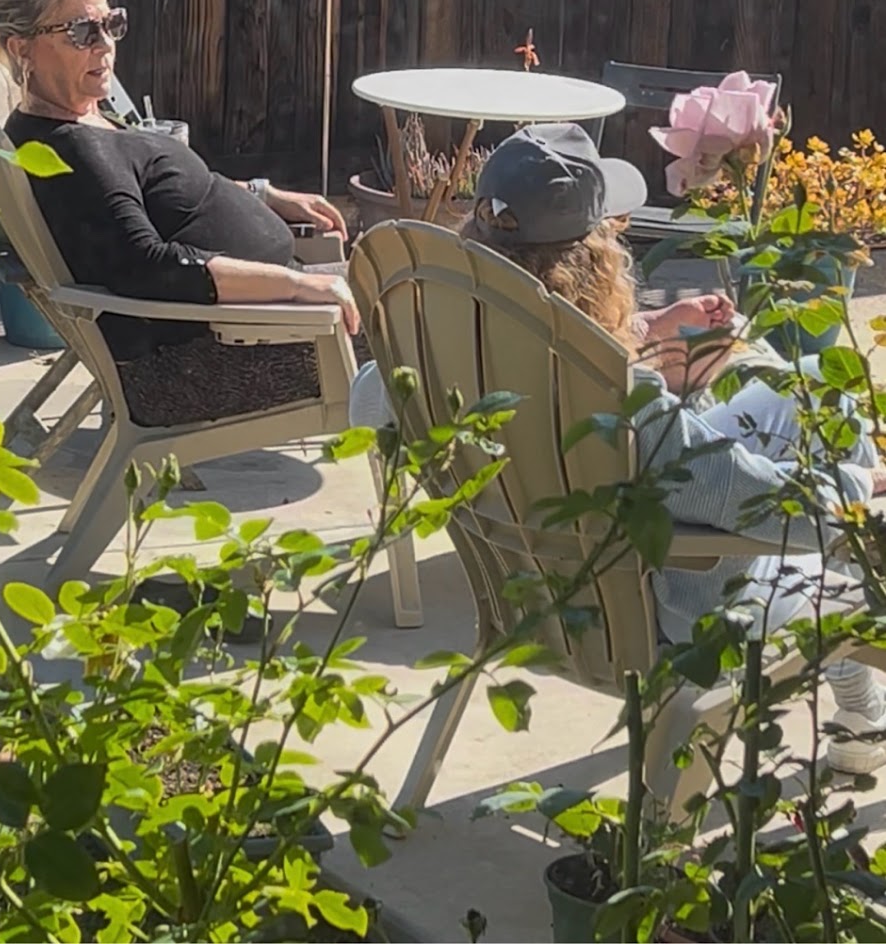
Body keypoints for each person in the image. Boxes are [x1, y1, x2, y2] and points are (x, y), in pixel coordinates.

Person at [350, 123, 886, 772]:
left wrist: (643, 338)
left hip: (530, 600)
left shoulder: (443, 360)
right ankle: (857, 675)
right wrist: (858, 491)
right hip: (666, 621)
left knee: (790, 390)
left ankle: (853, 669)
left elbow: (370, 401)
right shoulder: (626, 405)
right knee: (823, 405)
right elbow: (751, 501)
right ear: (595, 258)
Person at [0, 0, 361, 428]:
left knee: (402, 277)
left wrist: (261, 194)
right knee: (421, 308)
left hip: (255, 323)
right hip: (220, 358)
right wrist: (299, 287)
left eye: (111, 24)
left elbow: (165, 196)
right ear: (21, 48)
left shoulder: (85, 115)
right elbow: (149, 266)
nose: (105, 45)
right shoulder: (73, 151)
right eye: (81, 31)